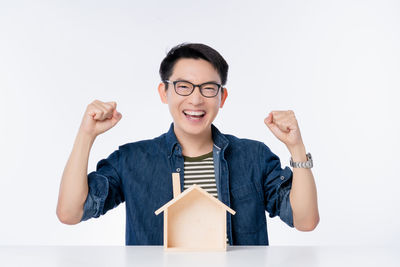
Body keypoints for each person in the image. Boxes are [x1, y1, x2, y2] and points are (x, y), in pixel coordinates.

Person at [56, 43, 319, 245]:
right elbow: (71, 213)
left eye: (208, 88)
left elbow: (305, 221)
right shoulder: (132, 159)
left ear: (222, 97)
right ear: (164, 92)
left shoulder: (254, 156)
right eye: (183, 86)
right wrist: (86, 134)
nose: (195, 100)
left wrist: (296, 146)